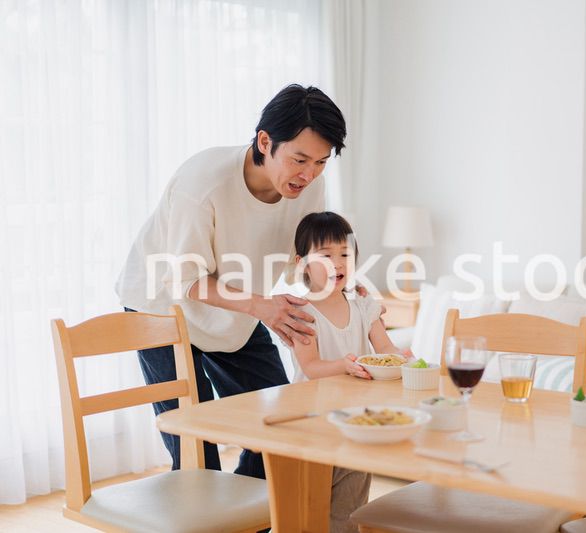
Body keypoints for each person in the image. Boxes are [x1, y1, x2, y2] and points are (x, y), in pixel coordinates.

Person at [115, 84, 345, 477]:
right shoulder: (203, 184)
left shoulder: (311, 187)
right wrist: (262, 306)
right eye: (300, 159)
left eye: (321, 162)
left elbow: (303, 260)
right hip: (164, 309)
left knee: (284, 430)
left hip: (236, 307)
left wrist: (340, 290)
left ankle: (244, 520)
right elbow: (185, 281)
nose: (309, 174)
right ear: (265, 140)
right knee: (196, 454)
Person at [289, 211, 407, 533]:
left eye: (345, 254)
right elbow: (310, 367)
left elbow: (385, 349)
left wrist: (402, 358)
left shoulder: (363, 306)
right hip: (312, 422)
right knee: (308, 507)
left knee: (350, 506)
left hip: (356, 420)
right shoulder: (300, 313)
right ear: (302, 264)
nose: (338, 264)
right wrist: (343, 365)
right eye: (325, 256)